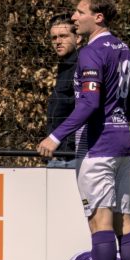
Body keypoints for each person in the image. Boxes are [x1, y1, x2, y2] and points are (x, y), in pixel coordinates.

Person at [36, 0, 130, 260]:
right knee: (125, 221)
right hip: (123, 141)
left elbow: (89, 103)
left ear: (98, 17)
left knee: (100, 223)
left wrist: (55, 137)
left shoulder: (90, 52)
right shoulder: (123, 48)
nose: (74, 17)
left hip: (98, 145)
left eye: (79, 12)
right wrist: (119, 124)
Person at [44, 13, 80, 169]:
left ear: (78, 38)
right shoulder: (64, 66)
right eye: (54, 37)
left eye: (63, 36)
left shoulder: (83, 65)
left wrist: (66, 146)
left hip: (72, 156)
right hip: (59, 153)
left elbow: (87, 108)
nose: (58, 41)